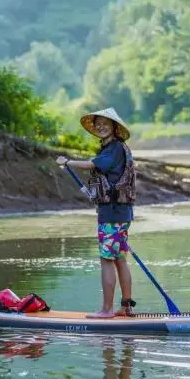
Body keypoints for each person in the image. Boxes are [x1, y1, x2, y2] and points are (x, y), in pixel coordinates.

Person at [57, 107, 136, 319]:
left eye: (105, 124)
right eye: (98, 124)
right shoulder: (114, 148)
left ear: (114, 127)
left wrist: (68, 162)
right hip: (120, 212)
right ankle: (126, 308)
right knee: (119, 258)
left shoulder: (113, 149)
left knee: (107, 259)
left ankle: (107, 310)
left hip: (112, 213)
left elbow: (92, 165)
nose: (101, 127)